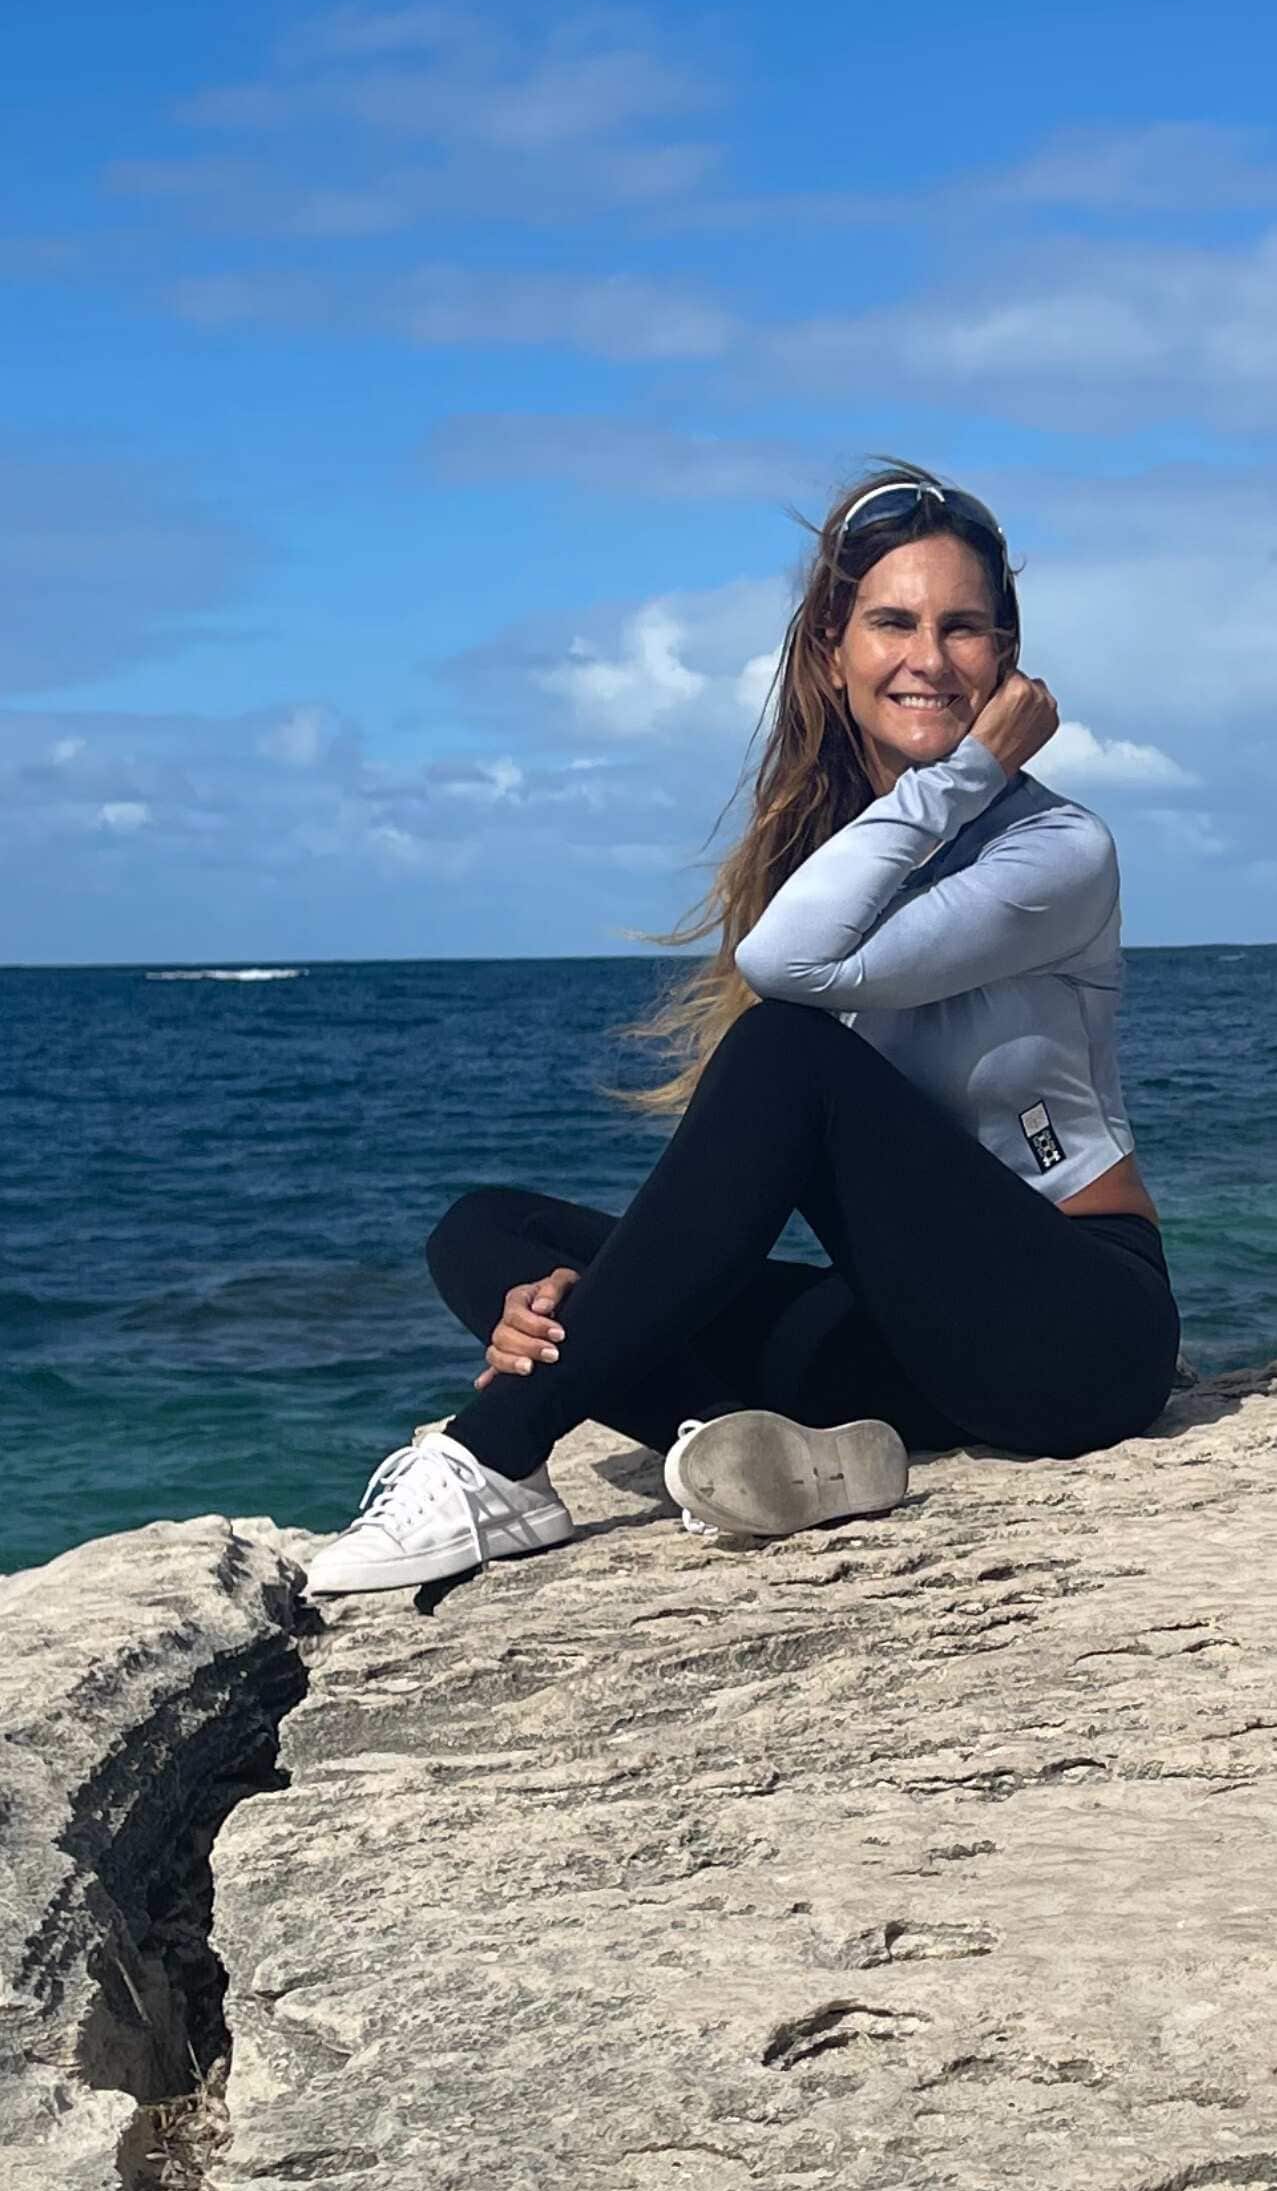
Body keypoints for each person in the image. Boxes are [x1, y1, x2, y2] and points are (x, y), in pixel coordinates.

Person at [306, 463, 1181, 1598]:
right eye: (891, 622)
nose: (927, 654)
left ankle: (496, 1457)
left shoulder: (1054, 850)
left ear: (1006, 660)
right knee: (488, 1237)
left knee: (781, 1047)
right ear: (833, 649)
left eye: (961, 626)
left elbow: (785, 967)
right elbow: (796, 965)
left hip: (1080, 1332)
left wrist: (965, 773)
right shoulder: (840, 856)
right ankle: (774, 1454)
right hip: (912, 1336)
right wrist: (578, 1305)